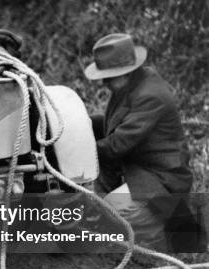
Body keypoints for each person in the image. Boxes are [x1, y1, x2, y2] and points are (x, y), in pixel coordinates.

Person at [85, 33, 204, 251]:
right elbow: (114, 124)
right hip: (139, 167)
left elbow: (116, 145)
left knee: (114, 212)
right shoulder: (130, 84)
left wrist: (77, 147)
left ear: (126, 72)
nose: (104, 82)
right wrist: (80, 126)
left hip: (161, 177)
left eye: (109, 77)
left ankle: (166, 231)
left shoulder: (150, 95)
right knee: (97, 204)